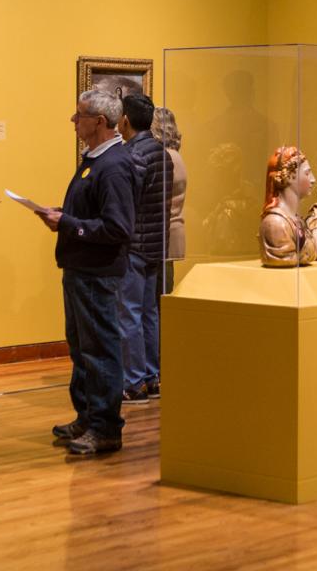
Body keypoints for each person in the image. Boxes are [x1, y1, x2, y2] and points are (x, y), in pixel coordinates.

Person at [36, 90, 134, 455]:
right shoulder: (95, 160)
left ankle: (106, 428)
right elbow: (92, 215)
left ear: (101, 123)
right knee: (81, 348)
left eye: (80, 116)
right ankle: (88, 416)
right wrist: (63, 217)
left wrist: (69, 223)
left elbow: (117, 228)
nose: (73, 121)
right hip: (81, 267)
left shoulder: (115, 166)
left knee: (100, 350)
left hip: (97, 270)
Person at [116, 93, 174, 404]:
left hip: (135, 244)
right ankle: (152, 377)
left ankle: (135, 381)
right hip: (156, 242)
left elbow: (127, 200)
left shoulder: (132, 155)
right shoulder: (162, 153)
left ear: (125, 120)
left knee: (130, 314)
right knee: (150, 313)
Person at [259, 147, 317, 267]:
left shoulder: (297, 220)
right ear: (290, 177)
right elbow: (286, 258)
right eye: (307, 173)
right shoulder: (275, 223)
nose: (313, 179)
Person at [152, 107, 187, 295]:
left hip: (163, 235)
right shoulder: (174, 155)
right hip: (168, 233)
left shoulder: (165, 157)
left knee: (159, 296)